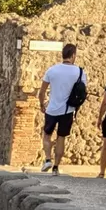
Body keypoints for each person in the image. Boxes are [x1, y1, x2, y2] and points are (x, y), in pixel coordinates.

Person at [36, 43, 86, 175]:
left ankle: (47, 159)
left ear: (63, 55)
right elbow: (82, 91)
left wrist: (42, 104)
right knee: (61, 138)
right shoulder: (80, 72)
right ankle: (56, 168)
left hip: (52, 109)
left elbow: (41, 92)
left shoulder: (52, 70)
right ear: (73, 55)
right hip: (68, 110)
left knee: (47, 135)